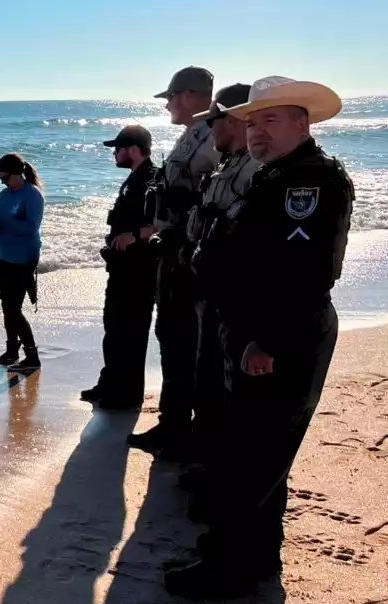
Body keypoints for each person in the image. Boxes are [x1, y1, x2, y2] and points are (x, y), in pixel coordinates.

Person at [164, 76, 354, 599]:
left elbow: (303, 276)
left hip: (280, 336)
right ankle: (251, 553)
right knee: (251, 449)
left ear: (302, 122)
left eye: (270, 120)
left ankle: (232, 567)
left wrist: (263, 341)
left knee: (253, 454)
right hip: (253, 329)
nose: (256, 132)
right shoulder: (278, 175)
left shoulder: (308, 183)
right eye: (251, 121)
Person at [127, 66, 221, 460]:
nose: (167, 104)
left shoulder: (211, 137)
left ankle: (184, 431)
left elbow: (207, 202)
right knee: (171, 339)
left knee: (184, 343)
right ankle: (174, 422)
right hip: (173, 252)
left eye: (169, 97)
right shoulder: (191, 136)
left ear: (187, 95)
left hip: (188, 256)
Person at [180, 83, 258, 491]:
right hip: (212, 291)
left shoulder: (254, 170)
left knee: (229, 388)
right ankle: (210, 463)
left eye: (214, 120)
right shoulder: (229, 165)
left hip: (233, 296)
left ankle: (222, 476)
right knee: (209, 375)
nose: (209, 129)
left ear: (234, 119)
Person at [81, 125, 159, 410]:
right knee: (113, 329)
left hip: (139, 271)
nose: (114, 154)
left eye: (119, 148)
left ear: (134, 149)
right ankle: (110, 383)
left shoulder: (152, 179)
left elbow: (162, 222)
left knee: (131, 333)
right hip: (121, 269)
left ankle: (127, 395)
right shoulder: (134, 179)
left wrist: (135, 235)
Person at [0, 153, 45, 372]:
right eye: (0, 178)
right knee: (7, 306)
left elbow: (30, 228)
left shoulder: (33, 195)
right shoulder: (4, 195)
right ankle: (11, 352)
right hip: (3, 255)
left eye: (5, 178)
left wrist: (2, 222)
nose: (3, 182)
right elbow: (3, 224)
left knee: (13, 308)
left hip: (24, 257)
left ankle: (32, 356)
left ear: (18, 173)